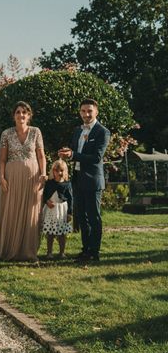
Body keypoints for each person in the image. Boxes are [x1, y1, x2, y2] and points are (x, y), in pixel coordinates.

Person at [58, 99, 111, 262]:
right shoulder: (77, 131)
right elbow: (75, 152)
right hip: (78, 179)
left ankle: (94, 252)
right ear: (80, 112)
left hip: (93, 180)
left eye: (89, 111)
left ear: (96, 112)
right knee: (82, 217)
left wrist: (73, 155)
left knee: (94, 217)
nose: (86, 114)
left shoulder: (102, 131)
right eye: (83, 111)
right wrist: (67, 153)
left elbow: (96, 157)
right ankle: (85, 250)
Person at [0, 101, 47, 262]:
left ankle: (29, 252)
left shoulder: (36, 132)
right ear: (14, 116)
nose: (21, 115)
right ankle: (9, 250)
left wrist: (43, 173)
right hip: (12, 177)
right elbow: (2, 159)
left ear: (29, 116)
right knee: (11, 211)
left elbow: (41, 156)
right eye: (18, 112)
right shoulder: (6, 134)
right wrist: (1, 177)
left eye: (24, 112)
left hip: (32, 177)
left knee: (31, 213)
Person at [42, 159, 73, 259]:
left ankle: (62, 252)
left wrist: (70, 213)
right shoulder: (49, 183)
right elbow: (44, 195)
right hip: (51, 210)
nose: (59, 173)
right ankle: (49, 252)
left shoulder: (67, 184)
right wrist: (47, 201)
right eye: (57, 170)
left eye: (62, 170)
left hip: (62, 211)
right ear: (53, 171)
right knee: (50, 233)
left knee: (62, 233)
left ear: (65, 171)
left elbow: (71, 199)